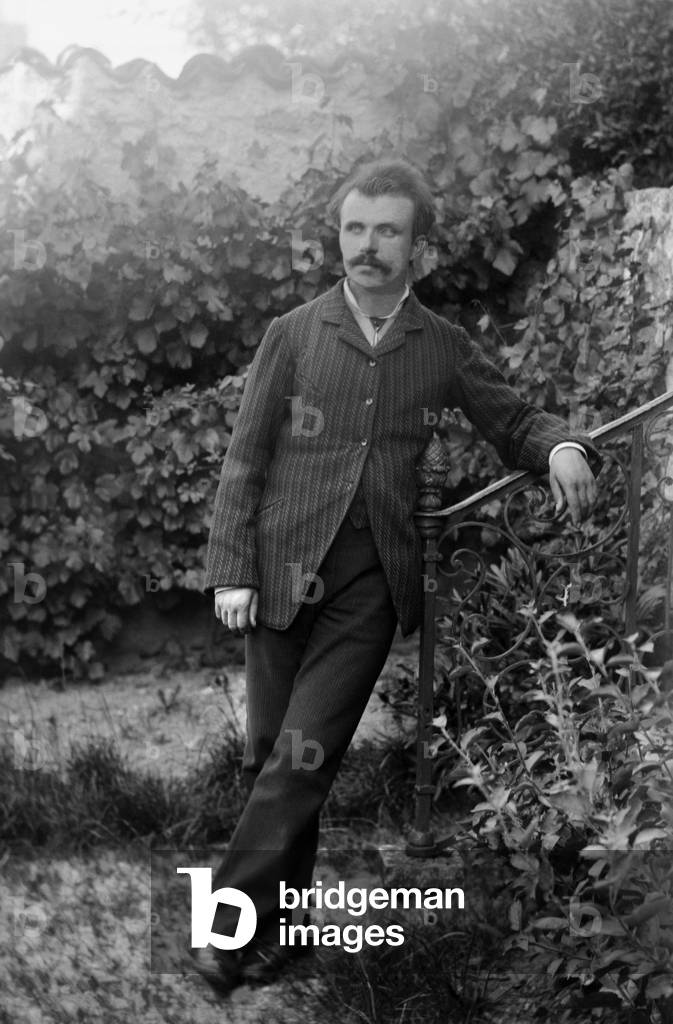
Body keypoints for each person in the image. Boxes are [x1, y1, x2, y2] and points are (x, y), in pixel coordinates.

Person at [194, 158, 601, 992]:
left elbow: (512, 417)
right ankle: (285, 935)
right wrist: (230, 568)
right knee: (273, 756)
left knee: (301, 758)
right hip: (277, 574)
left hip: (370, 583)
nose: (366, 246)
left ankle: (226, 926)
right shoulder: (293, 333)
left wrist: (560, 446)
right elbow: (245, 459)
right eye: (354, 228)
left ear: (416, 245)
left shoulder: (440, 346)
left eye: (386, 230)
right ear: (338, 235)